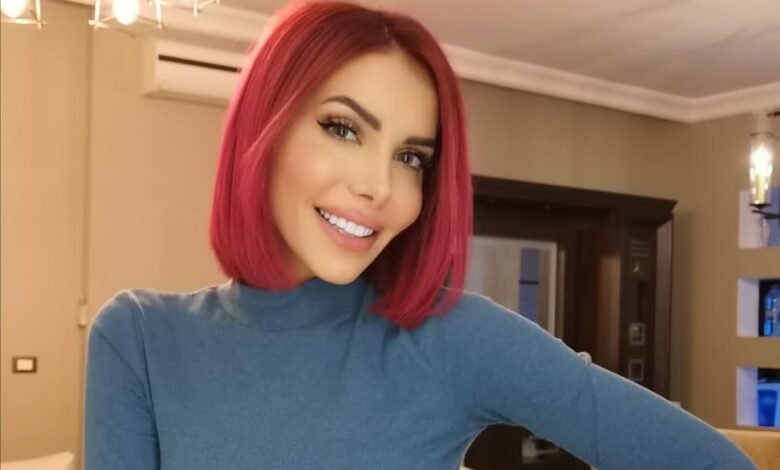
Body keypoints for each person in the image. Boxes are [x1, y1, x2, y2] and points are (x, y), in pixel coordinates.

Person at [83, 2, 756, 469]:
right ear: (265, 130)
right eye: (343, 128)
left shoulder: (452, 337)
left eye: (411, 157)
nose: (381, 186)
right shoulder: (140, 339)